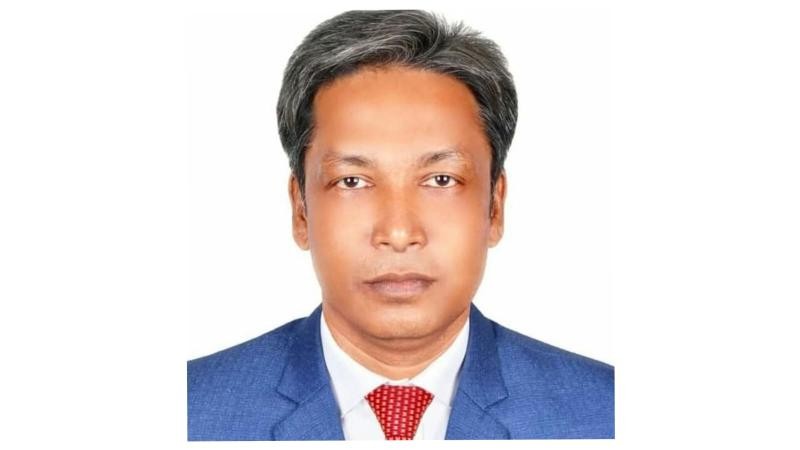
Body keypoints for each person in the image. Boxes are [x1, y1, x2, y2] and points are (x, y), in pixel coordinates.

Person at [187, 10, 614, 440]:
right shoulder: (190, 412)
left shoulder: (606, 413)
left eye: (441, 180)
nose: (397, 233)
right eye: (352, 181)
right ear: (301, 210)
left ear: (495, 206)